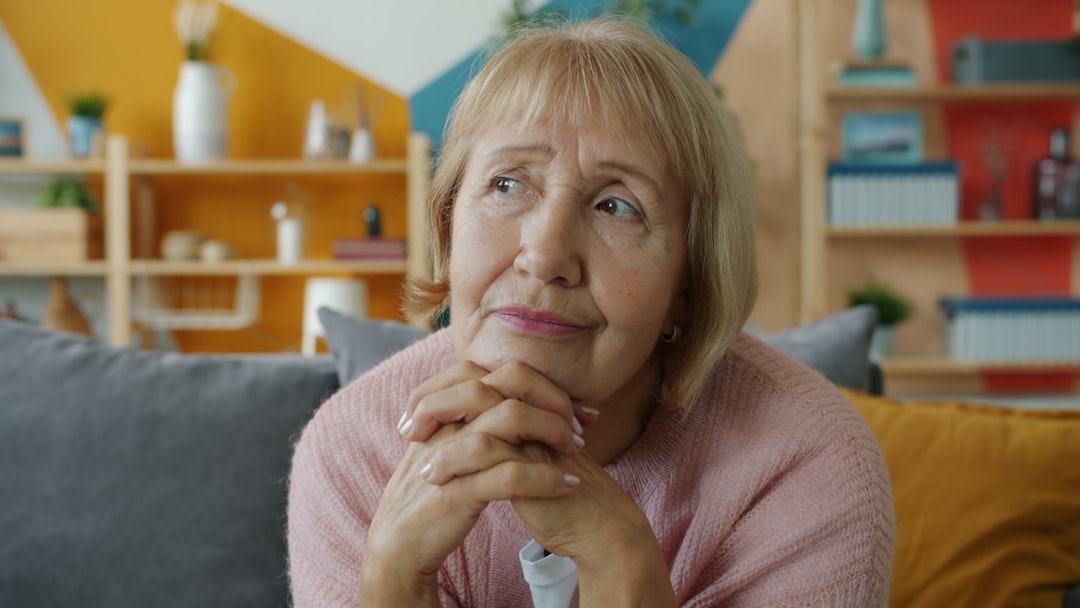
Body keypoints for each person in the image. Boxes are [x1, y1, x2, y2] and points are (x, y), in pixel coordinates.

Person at [287, 16, 895, 607]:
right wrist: (393, 577)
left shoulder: (807, 465)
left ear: (690, 281)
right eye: (507, 184)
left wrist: (620, 557)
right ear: (448, 225)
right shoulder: (355, 451)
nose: (545, 256)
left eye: (616, 206)